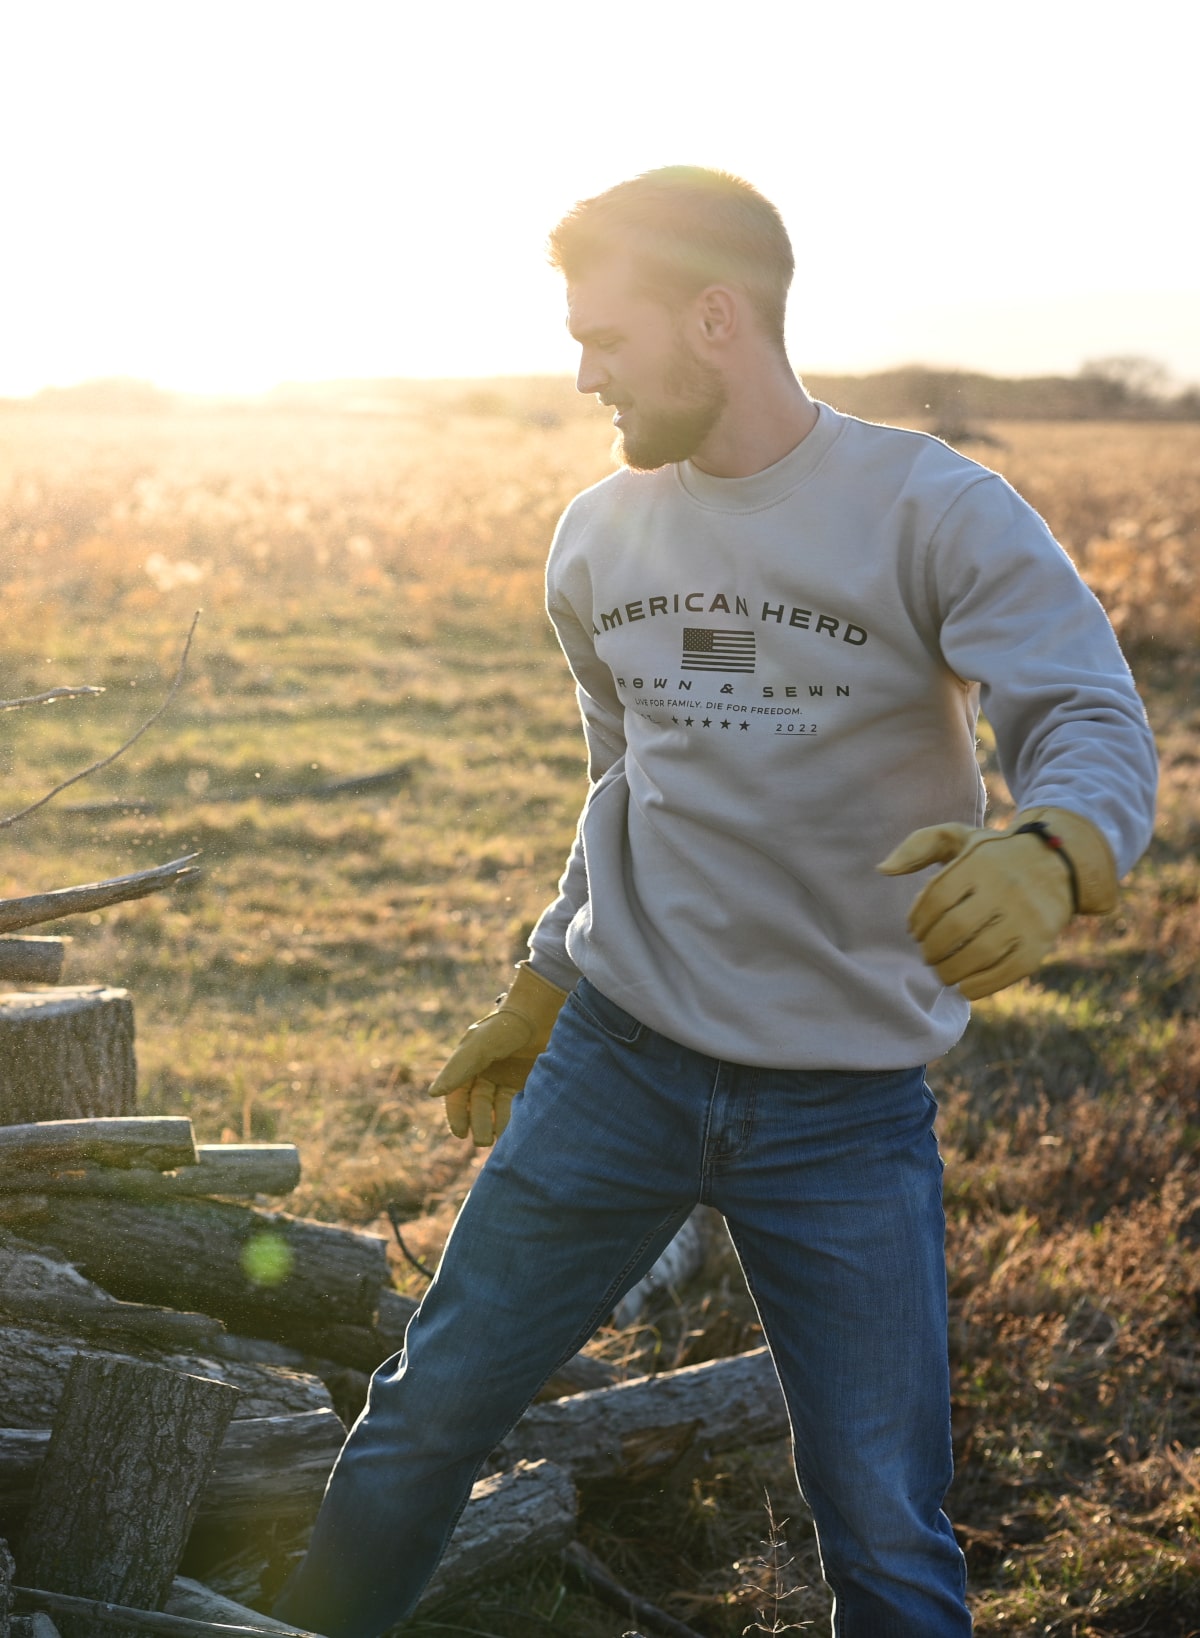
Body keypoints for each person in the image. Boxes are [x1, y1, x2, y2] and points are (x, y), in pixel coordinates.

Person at [274, 167, 1158, 1638]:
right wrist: (549, 978)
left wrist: (1056, 849)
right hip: (617, 1062)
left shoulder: (931, 508)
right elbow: (627, 781)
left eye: (607, 338)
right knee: (421, 1419)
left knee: (885, 1524)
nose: (583, 374)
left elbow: (1088, 711)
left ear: (714, 317)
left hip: (846, 1105)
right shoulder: (597, 540)